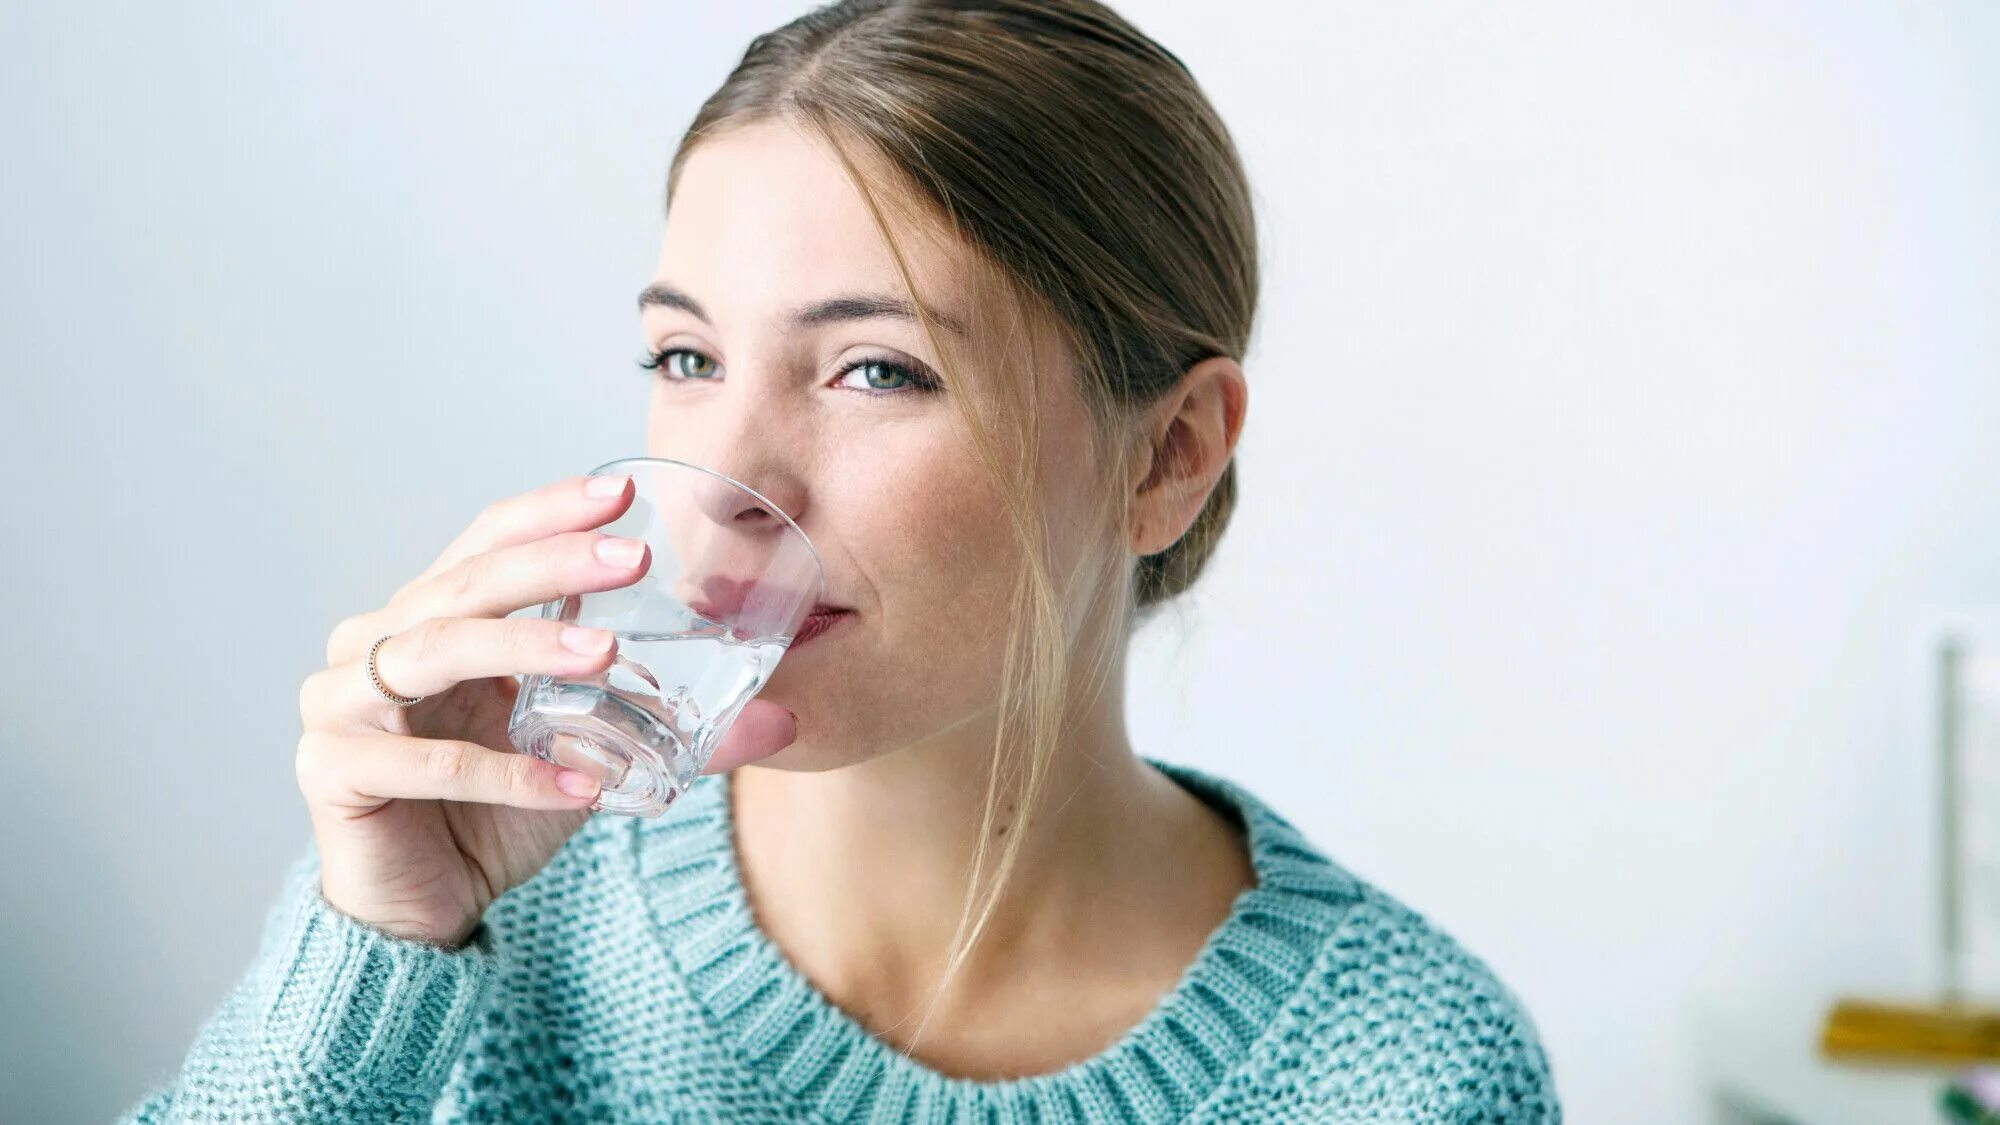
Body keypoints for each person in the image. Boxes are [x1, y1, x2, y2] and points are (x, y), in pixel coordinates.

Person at [123, 1, 1560, 1120]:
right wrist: (373, 957)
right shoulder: (473, 916)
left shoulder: (1405, 1072)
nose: (730, 483)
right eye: (686, 356)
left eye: (876, 369)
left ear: (1168, 453)